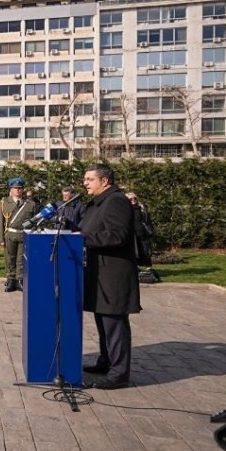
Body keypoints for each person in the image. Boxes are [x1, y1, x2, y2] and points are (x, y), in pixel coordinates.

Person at [79, 164, 141, 390]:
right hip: (100, 274)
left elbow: (118, 235)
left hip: (113, 275)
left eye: (89, 179)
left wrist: (82, 237)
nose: (85, 183)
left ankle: (119, 374)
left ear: (104, 181)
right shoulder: (99, 202)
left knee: (114, 325)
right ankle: (106, 361)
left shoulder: (115, 201)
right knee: (103, 322)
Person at [0, 177, 37, 292]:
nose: (18, 190)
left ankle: (20, 280)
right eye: (15, 188)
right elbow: (0, 221)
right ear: (11, 189)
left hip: (24, 235)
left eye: (20, 188)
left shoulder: (30, 204)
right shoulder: (5, 202)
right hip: (10, 235)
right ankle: (10, 280)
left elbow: (34, 222)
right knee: (10, 258)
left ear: (23, 190)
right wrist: (0, 238)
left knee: (21, 259)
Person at [125, 192, 154, 268]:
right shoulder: (125, 210)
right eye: (130, 199)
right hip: (132, 236)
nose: (133, 200)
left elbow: (148, 221)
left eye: (135, 198)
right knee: (134, 253)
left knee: (146, 252)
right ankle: (136, 269)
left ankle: (148, 269)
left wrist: (150, 230)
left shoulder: (142, 209)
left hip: (143, 234)